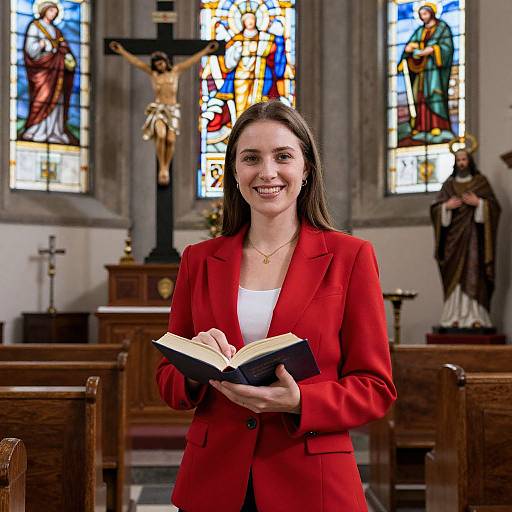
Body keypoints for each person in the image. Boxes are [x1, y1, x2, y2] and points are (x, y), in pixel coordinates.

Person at [156, 101, 396, 512]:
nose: (267, 172)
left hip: (313, 483)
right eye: (251, 158)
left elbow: (376, 388)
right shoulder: (199, 259)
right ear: (234, 171)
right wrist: (197, 367)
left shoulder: (349, 257)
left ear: (306, 169)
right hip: (213, 481)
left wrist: (301, 401)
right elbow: (167, 378)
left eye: (283, 156)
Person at [109, 40, 219, 186]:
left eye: (161, 63)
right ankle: (163, 167)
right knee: (160, 135)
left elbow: (191, 61)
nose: (159, 66)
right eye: (156, 64)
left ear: (165, 62)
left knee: (171, 140)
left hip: (173, 110)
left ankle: (166, 165)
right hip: (159, 109)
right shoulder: (153, 74)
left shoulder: (176, 71)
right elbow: (137, 63)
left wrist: (206, 51)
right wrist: (121, 51)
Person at [431, 149, 501, 328]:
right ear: (455, 163)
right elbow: (435, 209)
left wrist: (480, 204)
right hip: (453, 242)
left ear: (469, 161)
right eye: (459, 160)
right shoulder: (448, 186)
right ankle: (453, 317)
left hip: (475, 241)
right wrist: (446, 207)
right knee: (453, 274)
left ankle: (476, 317)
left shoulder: (481, 182)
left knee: (475, 275)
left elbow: (494, 208)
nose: (462, 163)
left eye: (464, 159)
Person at [20, 1, 78, 145]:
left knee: (57, 99)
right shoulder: (35, 26)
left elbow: (63, 47)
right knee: (42, 97)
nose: (53, 14)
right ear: (44, 10)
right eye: (51, 11)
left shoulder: (56, 31)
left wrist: (67, 55)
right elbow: (30, 49)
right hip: (42, 71)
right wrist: (42, 44)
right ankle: (35, 129)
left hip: (57, 71)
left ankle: (56, 131)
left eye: (55, 12)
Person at [398, 2, 454, 144]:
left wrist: (433, 50)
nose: (423, 17)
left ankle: (437, 126)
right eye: (420, 15)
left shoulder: (442, 28)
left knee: (435, 95)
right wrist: (408, 51)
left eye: (425, 14)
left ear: (432, 13)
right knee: (420, 97)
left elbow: (447, 48)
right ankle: (421, 127)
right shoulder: (420, 31)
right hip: (422, 72)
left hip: (435, 71)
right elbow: (409, 47)